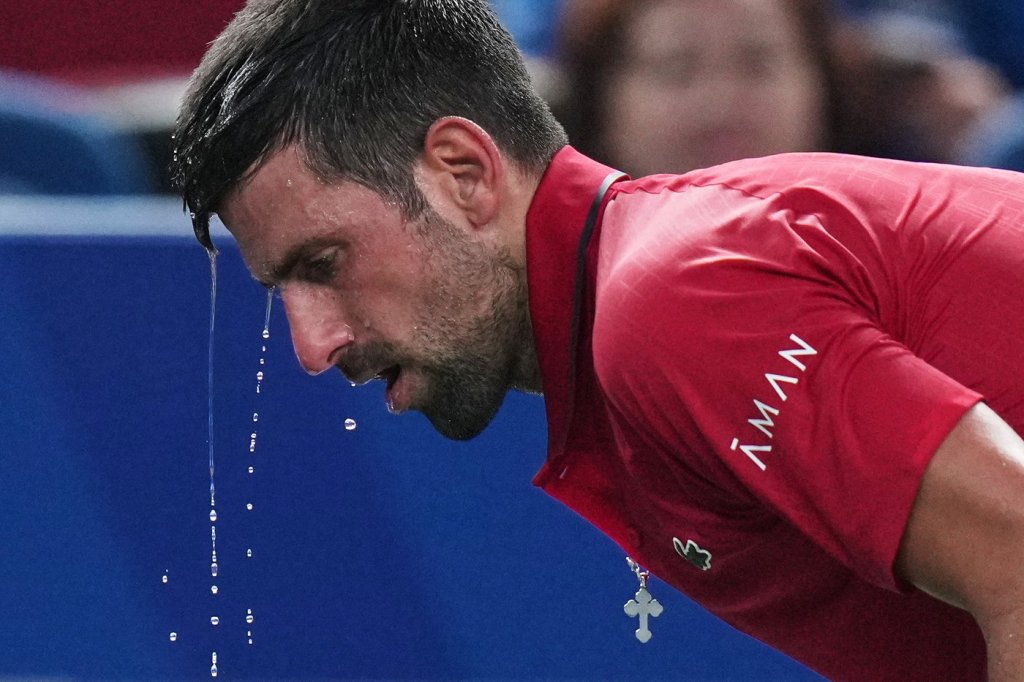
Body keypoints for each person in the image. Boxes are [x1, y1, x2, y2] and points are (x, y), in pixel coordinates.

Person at [172, 1, 1024, 679]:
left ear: (463, 174)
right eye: (283, 291)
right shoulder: (663, 278)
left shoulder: (672, 299)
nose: (311, 346)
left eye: (324, 264)